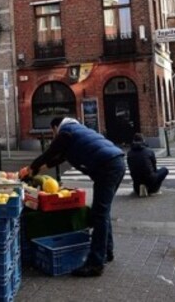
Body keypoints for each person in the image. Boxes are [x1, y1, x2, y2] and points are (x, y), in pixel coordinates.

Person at [19, 117, 125, 277]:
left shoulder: (66, 132)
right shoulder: (78, 131)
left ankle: (95, 264)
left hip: (107, 167)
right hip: (116, 162)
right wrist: (40, 168)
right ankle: (106, 251)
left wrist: (31, 168)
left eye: (53, 132)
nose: (54, 136)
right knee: (101, 211)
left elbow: (50, 152)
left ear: (56, 127)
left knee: (100, 213)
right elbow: (60, 158)